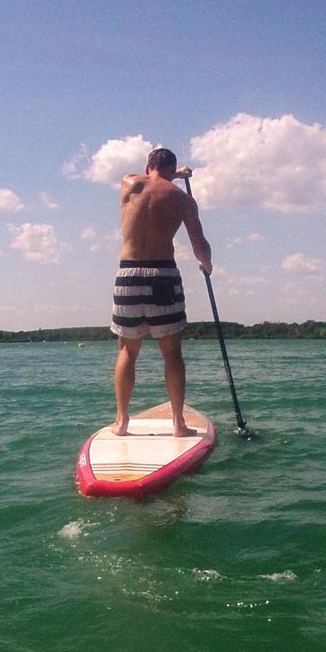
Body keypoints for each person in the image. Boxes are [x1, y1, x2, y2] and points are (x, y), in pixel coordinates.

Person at [110, 147, 213, 436]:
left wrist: (173, 174)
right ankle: (179, 424)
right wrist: (207, 264)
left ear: (147, 167)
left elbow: (154, 179)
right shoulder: (183, 200)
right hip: (163, 274)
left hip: (128, 274)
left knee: (128, 351)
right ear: (172, 170)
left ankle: (121, 421)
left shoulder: (129, 183)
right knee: (171, 353)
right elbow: (200, 247)